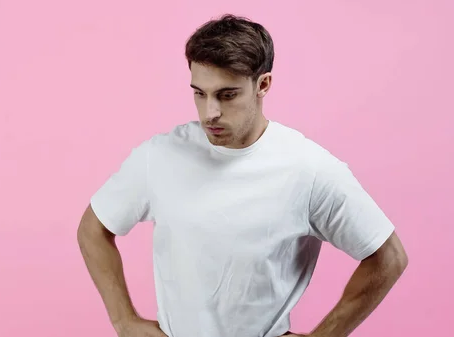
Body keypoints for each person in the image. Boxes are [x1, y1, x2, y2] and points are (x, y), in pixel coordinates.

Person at [77, 14, 408, 337]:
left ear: (262, 84)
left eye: (227, 94)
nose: (210, 113)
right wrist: (123, 321)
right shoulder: (159, 156)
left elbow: (388, 257)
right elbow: (93, 228)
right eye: (199, 93)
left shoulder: (309, 169)